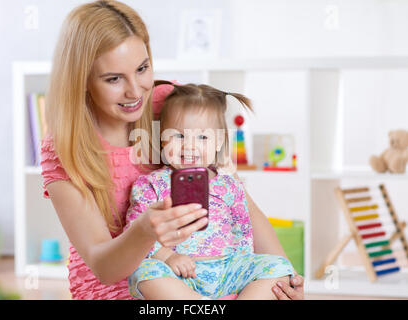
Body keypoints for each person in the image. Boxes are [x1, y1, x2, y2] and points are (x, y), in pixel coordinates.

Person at [41, 0, 304, 300]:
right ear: (82, 80)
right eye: (114, 79)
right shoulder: (66, 147)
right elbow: (104, 267)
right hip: (130, 283)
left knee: (273, 277)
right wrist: (144, 232)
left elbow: (241, 203)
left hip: (210, 277)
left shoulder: (168, 104)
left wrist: (286, 280)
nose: (135, 90)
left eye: (142, 69)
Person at [125, 82, 295, 300]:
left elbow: (242, 231)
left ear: (219, 142)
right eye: (178, 136)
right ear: (162, 139)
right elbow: (136, 234)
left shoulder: (230, 186)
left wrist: (243, 267)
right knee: (144, 271)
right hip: (179, 274)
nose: (189, 146)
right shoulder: (151, 186)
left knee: (279, 266)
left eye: (202, 137)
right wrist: (167, 257)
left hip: (227, 270)